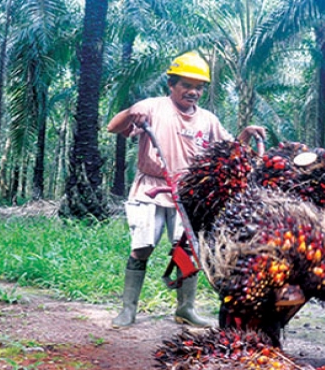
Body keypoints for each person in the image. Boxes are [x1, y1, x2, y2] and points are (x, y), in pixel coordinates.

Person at [107, 51, 265, 328]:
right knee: (142, 248)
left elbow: (230, 152)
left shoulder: (207, 120)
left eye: (199, 87)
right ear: (171, 85)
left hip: (189, 193)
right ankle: (128, 310)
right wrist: (132, 112)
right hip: (151, 188)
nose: (193, 92)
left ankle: (186, 309)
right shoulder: (153, 107)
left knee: (188, 251)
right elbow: (113, 127)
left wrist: (246, 134)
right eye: (186, 85)